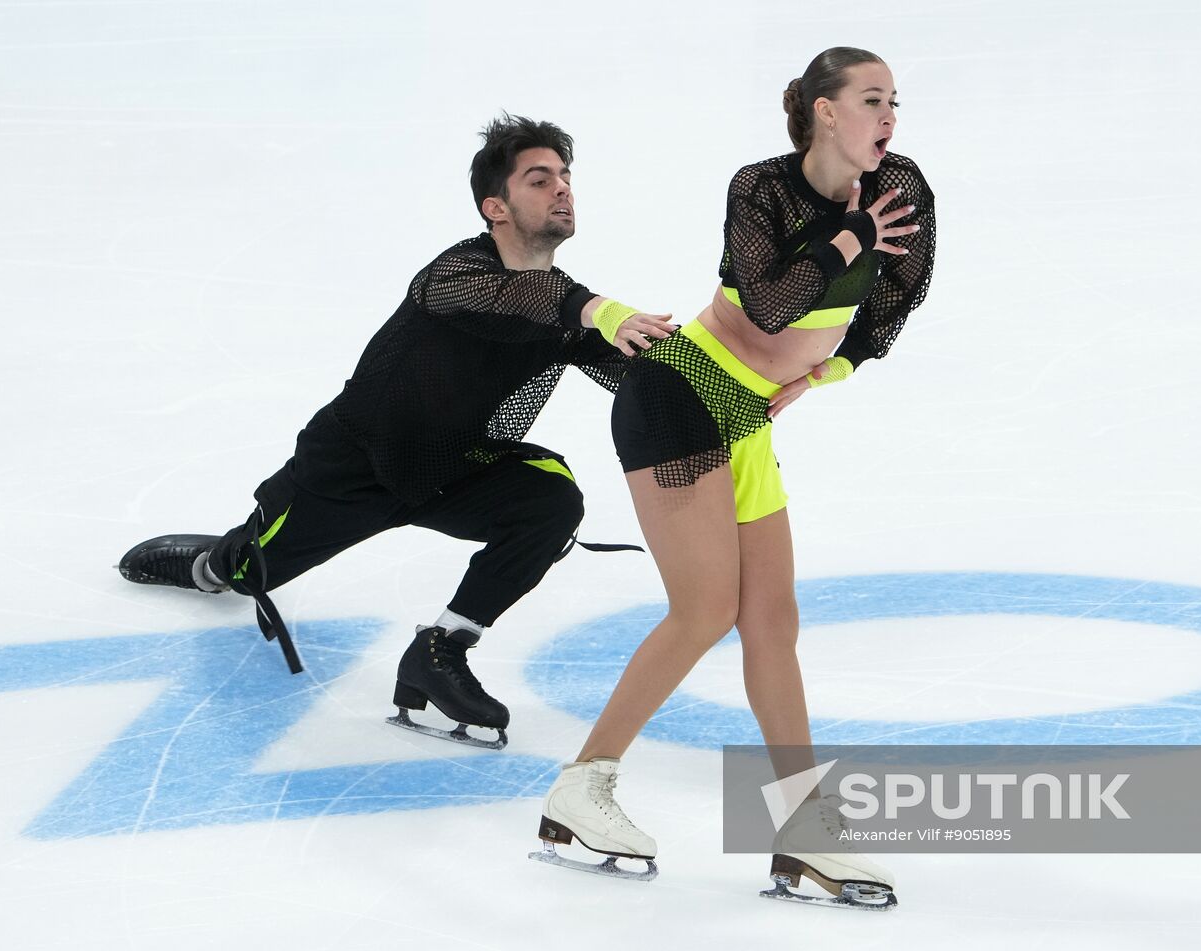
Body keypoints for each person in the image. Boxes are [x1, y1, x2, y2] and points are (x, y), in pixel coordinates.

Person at [117, 115, 673, 749]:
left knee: (550, 500)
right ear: (495, 206)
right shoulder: (456, 274)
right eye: (539, 180)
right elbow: (516, 298)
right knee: (248, 573)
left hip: (454, 472)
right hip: (351, 471)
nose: (562, 191)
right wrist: (598, 309)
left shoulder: (569, 309)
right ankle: (209, 566)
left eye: (565, 179)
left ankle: (441, 649)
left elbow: (647, 375)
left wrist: (761, 381)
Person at [529, 49, 934, 908]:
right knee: (705, 607)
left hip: (745, 416)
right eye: (871, 101)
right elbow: (771, 298)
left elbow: (900, 297)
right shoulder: (761, 188)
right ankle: (582, 787)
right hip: (678, 392)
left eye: (894, 102)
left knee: (771, 621)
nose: (888, 117)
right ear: (825, 111)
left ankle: (805, 830)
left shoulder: (903, 186)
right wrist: (853, 235)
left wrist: (832, 370)